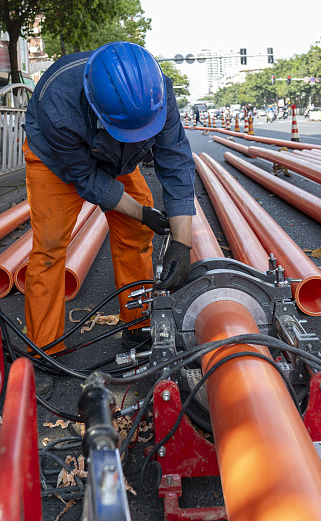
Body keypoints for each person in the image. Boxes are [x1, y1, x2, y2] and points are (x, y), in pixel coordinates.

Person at [21, 41, 195, 362]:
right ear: (95, 104)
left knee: (135, 234)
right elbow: (88, 182)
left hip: (119, 157)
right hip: (56, 160)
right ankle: (45, 350)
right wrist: (142, 212)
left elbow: (176, 161)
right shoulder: (58, 104)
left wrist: (182, 243)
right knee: (50, 248)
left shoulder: (155, 90)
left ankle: (137, 323)